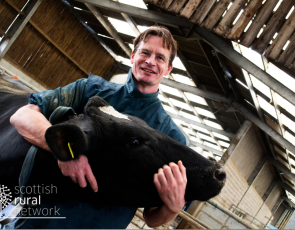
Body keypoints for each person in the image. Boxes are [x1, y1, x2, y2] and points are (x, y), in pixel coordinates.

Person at [10, 26, 187, 228]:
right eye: (145, 52)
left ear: (168, 69)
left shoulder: (171, 136)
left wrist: (172, 208)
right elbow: (23, 114)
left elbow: (151, 218)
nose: (150, 61)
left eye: (160, 57)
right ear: (132, 56)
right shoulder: (89, 89)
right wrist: (65, 151)